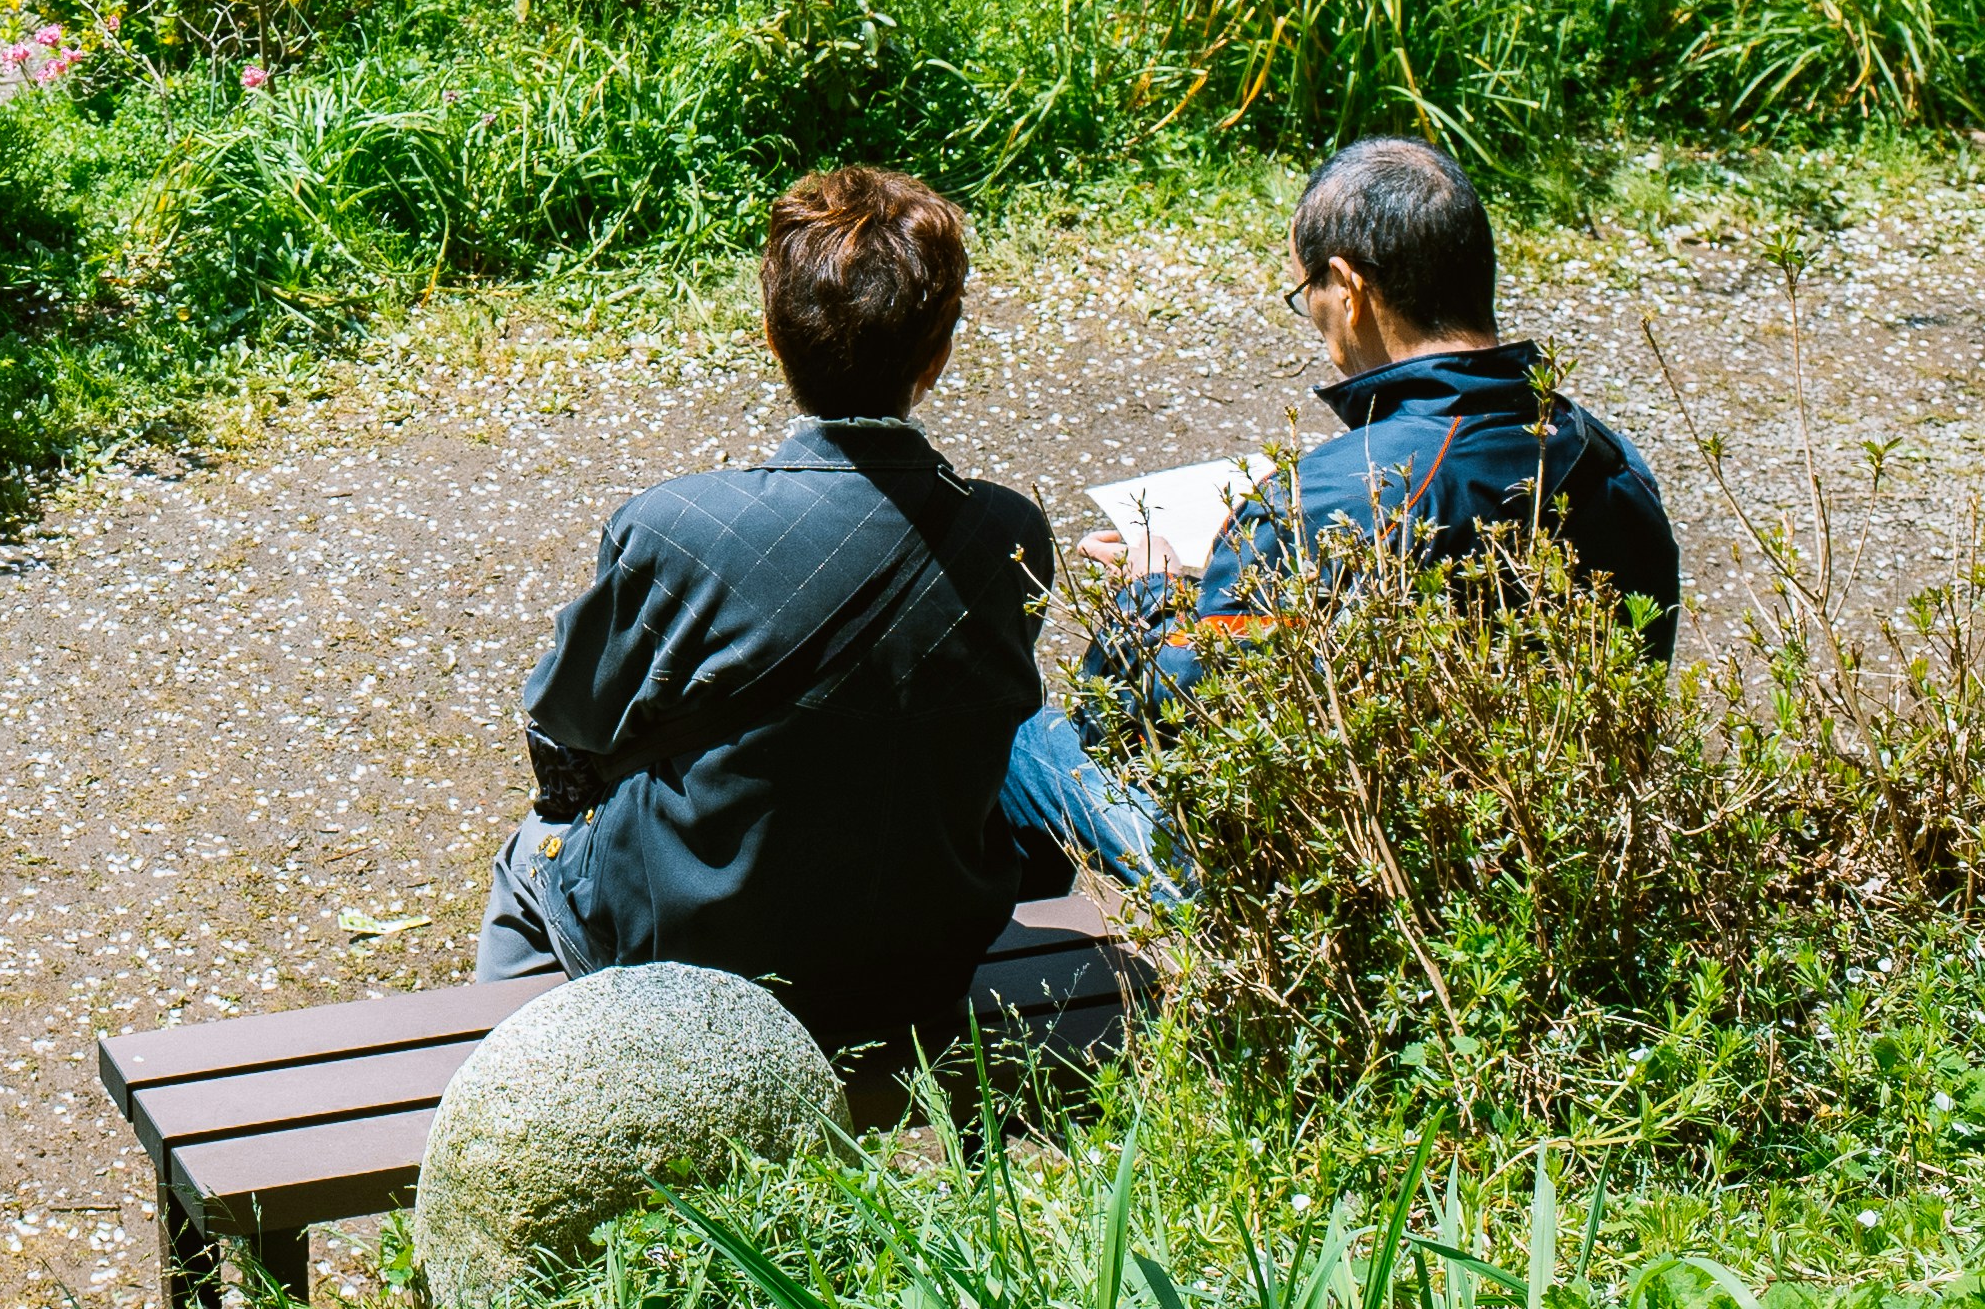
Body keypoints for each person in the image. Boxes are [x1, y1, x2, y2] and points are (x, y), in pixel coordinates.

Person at [478, 165, 1064, 1052]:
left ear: (770, 335)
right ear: (938, 352)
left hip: (702, 960)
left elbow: (568, 722)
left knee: (532, 857)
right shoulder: (1008, 534)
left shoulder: (673, 529)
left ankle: (535, 1093)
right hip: (924, 961)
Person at [1076, 135, 1684, 770]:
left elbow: (1151, 725)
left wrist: (1147, 591)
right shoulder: (1607, 458)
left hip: (1354, 854)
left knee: (1035, 750)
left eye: (1303, 292)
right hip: (1572, 827)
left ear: (1347, 288)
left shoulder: (1327, 500)